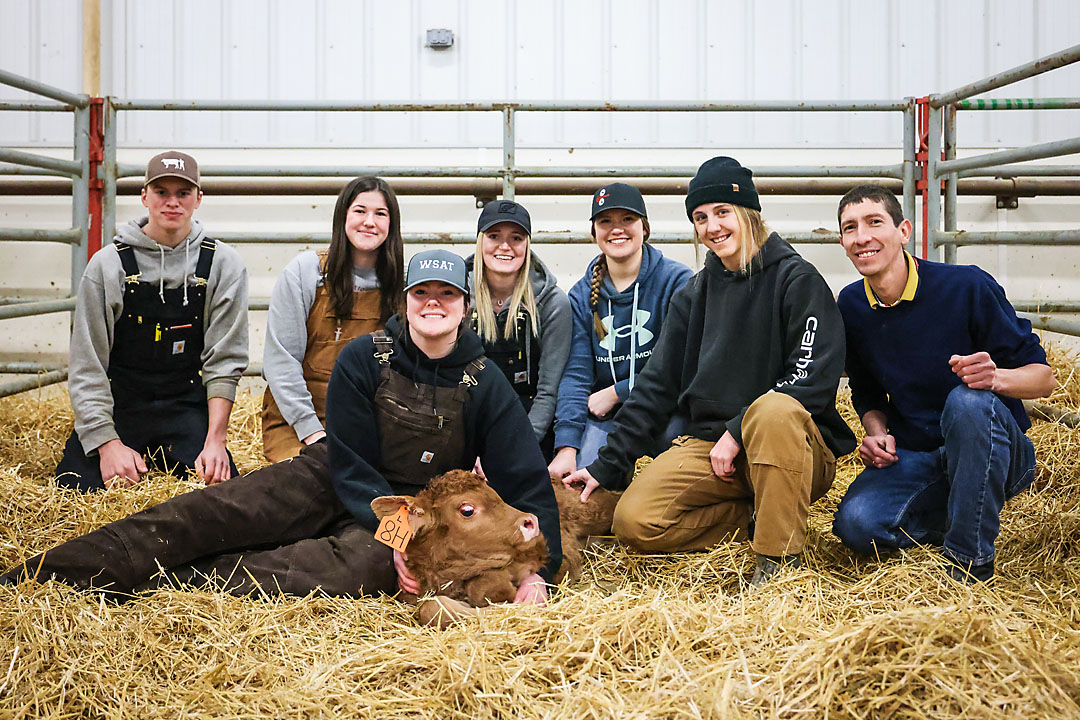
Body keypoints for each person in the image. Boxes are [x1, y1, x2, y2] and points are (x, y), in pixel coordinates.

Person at [4, 250, 562, 603]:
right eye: (422, 294)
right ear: (407, 301)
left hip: (413, 506)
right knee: (215, 510)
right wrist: (397, 529)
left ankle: (171, 584)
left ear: (465, 305)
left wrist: (541, 570)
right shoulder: (365, 358)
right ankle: (48, 575)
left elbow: (524, 478)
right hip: (335, 476)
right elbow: (348, 458)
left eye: (447, 295)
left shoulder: (483, 379)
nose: (433, 304)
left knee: (345, 573)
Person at [563, 156, 856, 586]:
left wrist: (738, 431)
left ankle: (778, 565)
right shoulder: (696, 291)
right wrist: (607, 464)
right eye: (700, 217)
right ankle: (761, 515)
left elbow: (811, 377)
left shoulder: (797, 280)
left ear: (748, 212)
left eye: (722, 212)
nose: (712, 226)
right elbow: (657, 383)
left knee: (775, 410)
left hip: (791, 448)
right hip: (713, 449)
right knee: (635, 521)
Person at [830, 185, 1055, 583]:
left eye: (874, 222)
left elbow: (1045, 379)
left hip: (996, 452)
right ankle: (963, 516)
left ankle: (970, 561)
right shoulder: (850, 306)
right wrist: (877, 433)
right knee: (857, 525)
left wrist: (996, 378)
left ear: (904, 231)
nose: (862, 236)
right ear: (843, 242)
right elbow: (865, 390)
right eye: (850, 228)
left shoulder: (966, 286)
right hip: (919, 455)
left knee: (967, 401)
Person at [56, 150, 248, 492]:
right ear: (144, 196)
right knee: (75, 487)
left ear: (198, 199)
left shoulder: (223, 264)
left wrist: (215, 441)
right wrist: (107, 444)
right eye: (162, 192)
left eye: (183, 193)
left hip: (184, 403)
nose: (172, 202)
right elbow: (88, 366)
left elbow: (225, 361)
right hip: (121, 404)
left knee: (222, 490)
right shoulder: (107, 266)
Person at [548, 183, 693, 480]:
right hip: (607, 419)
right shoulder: (580, 295)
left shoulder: (678, 282)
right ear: (594, 234)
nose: (617, 229)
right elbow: (576, 374)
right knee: (584, 489)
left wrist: (618, 392)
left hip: (667, 412)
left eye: (627, 219)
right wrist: (566, 445)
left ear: (645, 228)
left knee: (670, 484)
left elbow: (683, 366)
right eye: (605, 222)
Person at [261, 176, 404, 462]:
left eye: (380, 213)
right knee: (313, 478)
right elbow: (281, 362)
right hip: (297, 424)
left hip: (365, 424)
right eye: (360, 211)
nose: (369, 222)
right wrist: (312, 432)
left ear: (392, 224)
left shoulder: (403, 287)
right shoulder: (305, 272)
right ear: (343, 216)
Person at [466, 199, 571, 465]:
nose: (505, 246)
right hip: (467, 422)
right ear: (480, 242)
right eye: (494, 236)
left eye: (516, 237)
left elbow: (549, 390)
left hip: (529, 425)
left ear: (527, 244)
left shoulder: (552, 302)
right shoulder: (457, 295)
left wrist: (518, 445)